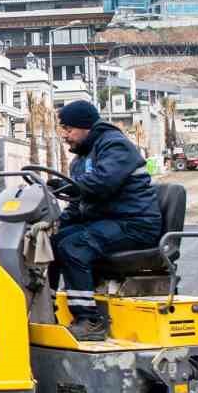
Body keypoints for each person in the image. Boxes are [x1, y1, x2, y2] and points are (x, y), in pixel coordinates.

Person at [53, 100, 162, 342]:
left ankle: (89, 321)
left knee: (75, 247)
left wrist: (68, 187)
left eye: (69, 130)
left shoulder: (115, 145)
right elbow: (78, 203)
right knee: (54, 240)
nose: (66, 136)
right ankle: (45, 306)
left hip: (135, 223)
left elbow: (102, 182)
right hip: (109, 222)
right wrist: (59, 222)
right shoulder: (80, 159)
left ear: (85, 126)